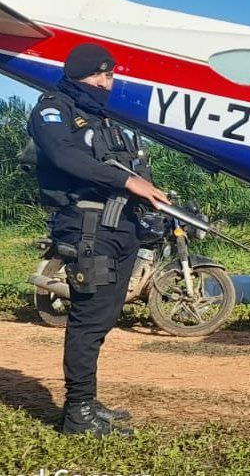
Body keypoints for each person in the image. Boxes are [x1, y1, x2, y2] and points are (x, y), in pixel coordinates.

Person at [29, 43, 170, 436]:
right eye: (97, 75)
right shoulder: (54, 109)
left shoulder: (103, 120)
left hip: (121, 228)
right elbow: (66, 159)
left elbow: (128, 167)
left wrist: (152, 194)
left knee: (106, 316)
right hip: (88, 228)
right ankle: (76, 413)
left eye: (108, 76)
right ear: (77, 75)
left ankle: (88, 402)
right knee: (88, 319)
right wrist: (129, 181)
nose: (104, 83)